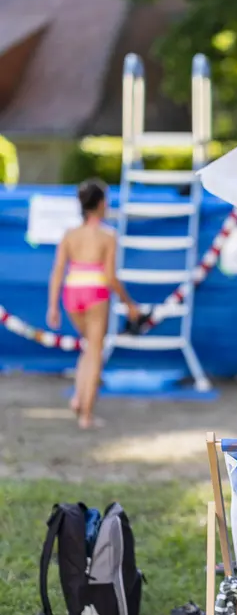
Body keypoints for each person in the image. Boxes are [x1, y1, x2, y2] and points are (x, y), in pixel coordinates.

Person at [47, 179, 139, 429]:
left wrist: (53, 306)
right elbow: (109, 276)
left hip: (72, 293)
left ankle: (78, 398)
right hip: (95, 293)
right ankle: (86, 415)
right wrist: (129, 303)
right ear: (100, 204)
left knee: (89, 348)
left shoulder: (70, 235)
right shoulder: (107, 235)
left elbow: (57, 272)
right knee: (96, 353)